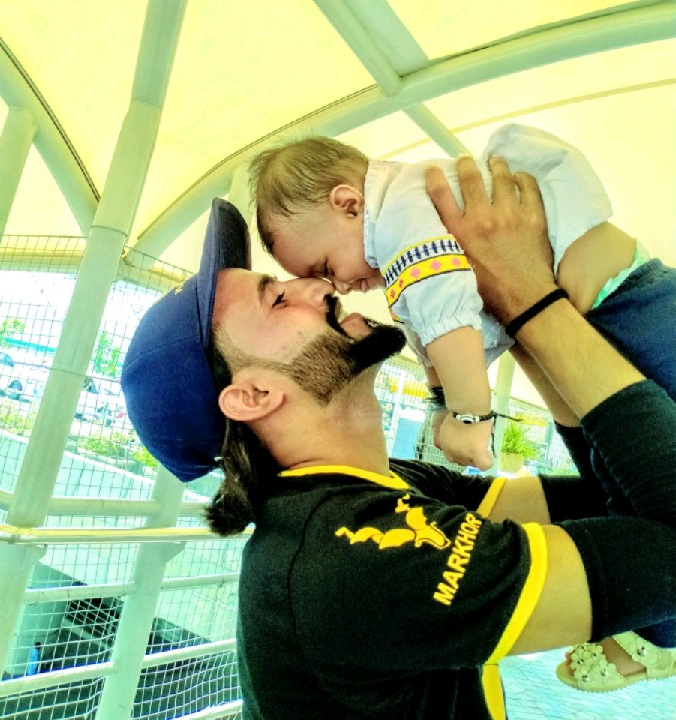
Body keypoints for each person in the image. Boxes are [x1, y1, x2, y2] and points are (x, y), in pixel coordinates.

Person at [121, 170, 676, 720]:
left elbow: (624, 500)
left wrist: (513, 311)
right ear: (254, 395)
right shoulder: (345, 563)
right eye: (278, 300)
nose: (320, 287)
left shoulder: (385, 486)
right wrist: (527, 295)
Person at [248, 123, 654, 473]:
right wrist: (441, 403)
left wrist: (469, 415)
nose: (337, 287)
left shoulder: (397, 219)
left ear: (349, 205)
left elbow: (447, 316)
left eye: (327, 267)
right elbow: (425, 331)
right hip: (611, 310)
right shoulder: (404, 221)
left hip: (628, 302)